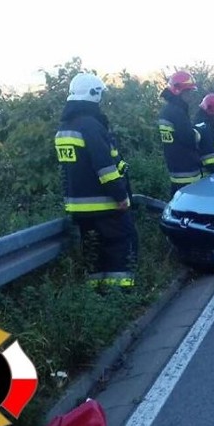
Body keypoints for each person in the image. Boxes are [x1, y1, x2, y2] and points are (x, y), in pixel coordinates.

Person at [54, 72, 138, 288]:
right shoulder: (91, 125)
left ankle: (96, 293)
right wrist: (120, 195)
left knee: (93, 253)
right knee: (118, 247)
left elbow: (68, 171)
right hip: (105, 204)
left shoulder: (64, 127)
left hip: (79, 207)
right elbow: (105, 167)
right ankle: (120, 296)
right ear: (94, 94)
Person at [159, 70, 204, 195]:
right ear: (178, 91)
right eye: (188, 92)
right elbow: (188, 138)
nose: (190, 95)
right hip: (188, 172)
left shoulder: (166, 111)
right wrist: (198, 133)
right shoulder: (177, 112)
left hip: (175, 170)